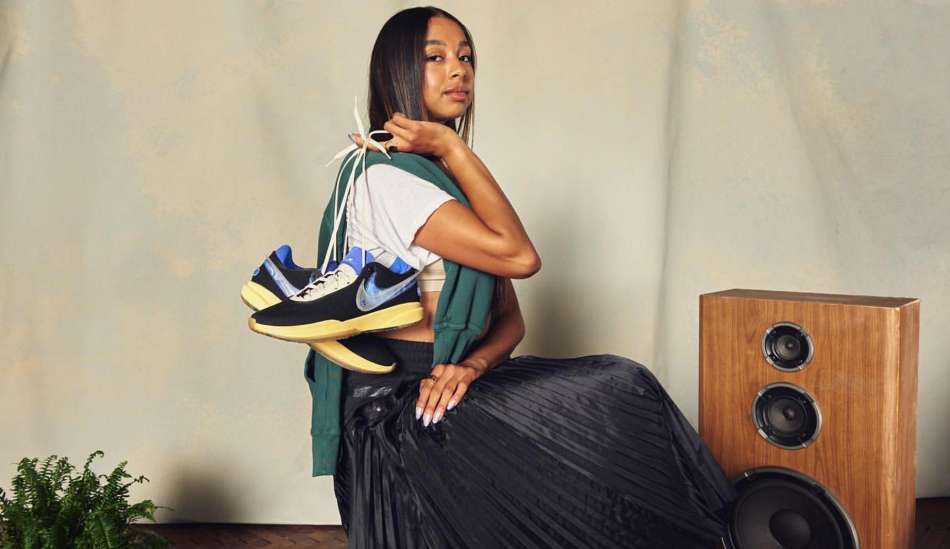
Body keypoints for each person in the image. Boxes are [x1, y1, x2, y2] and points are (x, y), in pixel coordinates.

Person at [331, 6, 736, 548]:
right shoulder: (385, 178)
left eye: (466, 57)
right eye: (435, 57)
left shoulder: (443, 179)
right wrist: (452, 146)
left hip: (452, 383)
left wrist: (472, 366)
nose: (459, 70)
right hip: (398, 405)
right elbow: (520, 256)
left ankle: (722, 532)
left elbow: (510, 318)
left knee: (624, 389)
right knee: (617, 390)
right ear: (396, 69)